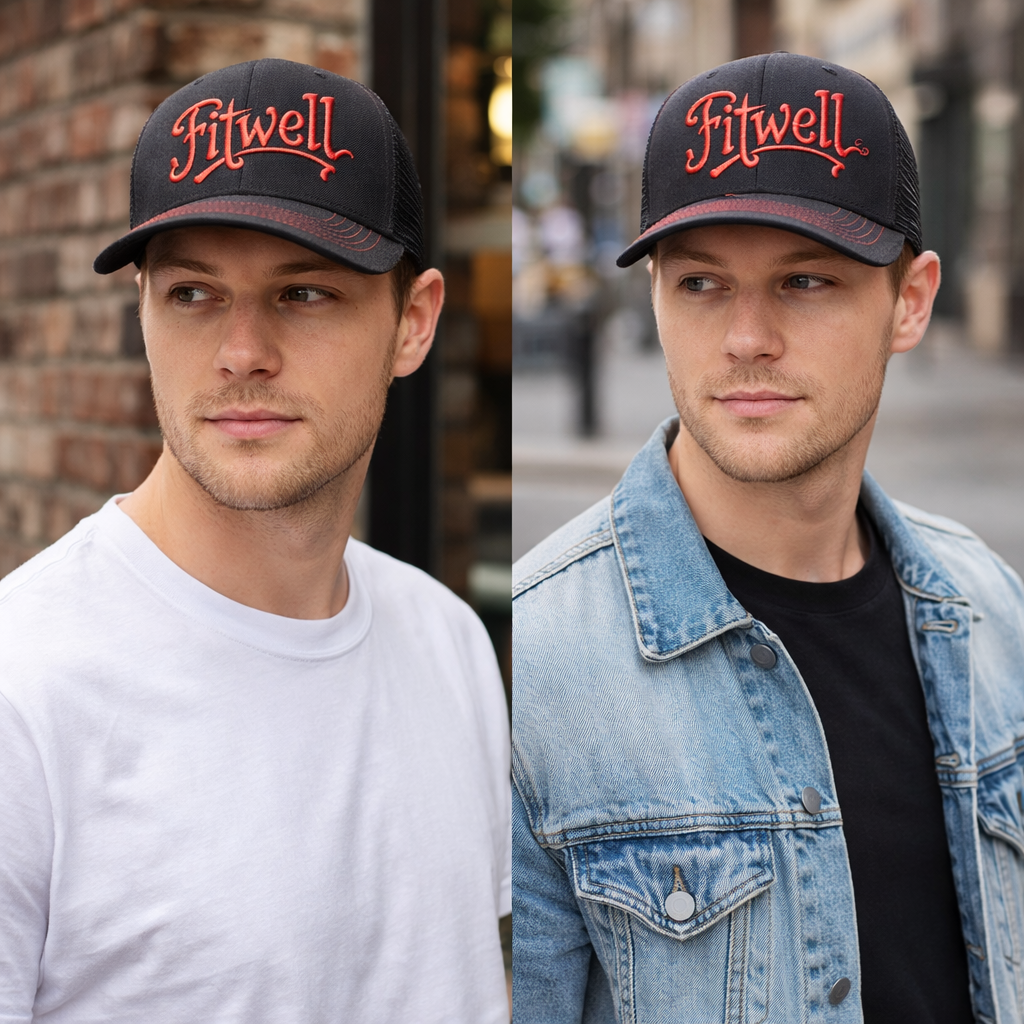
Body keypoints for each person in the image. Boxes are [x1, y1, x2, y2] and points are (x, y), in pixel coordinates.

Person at [512, 51, 1024, 1024]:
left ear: (910, 301)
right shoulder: (534, 669)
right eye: (702, 283)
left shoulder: (990, 608)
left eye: (805, 279)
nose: (746, 336)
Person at [0, 59, 510, 1023]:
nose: (242, 353)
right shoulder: (24, 690)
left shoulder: (447, 640)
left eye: (303, 294)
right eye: (192, 295)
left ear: (414, 324)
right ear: (142, 312)